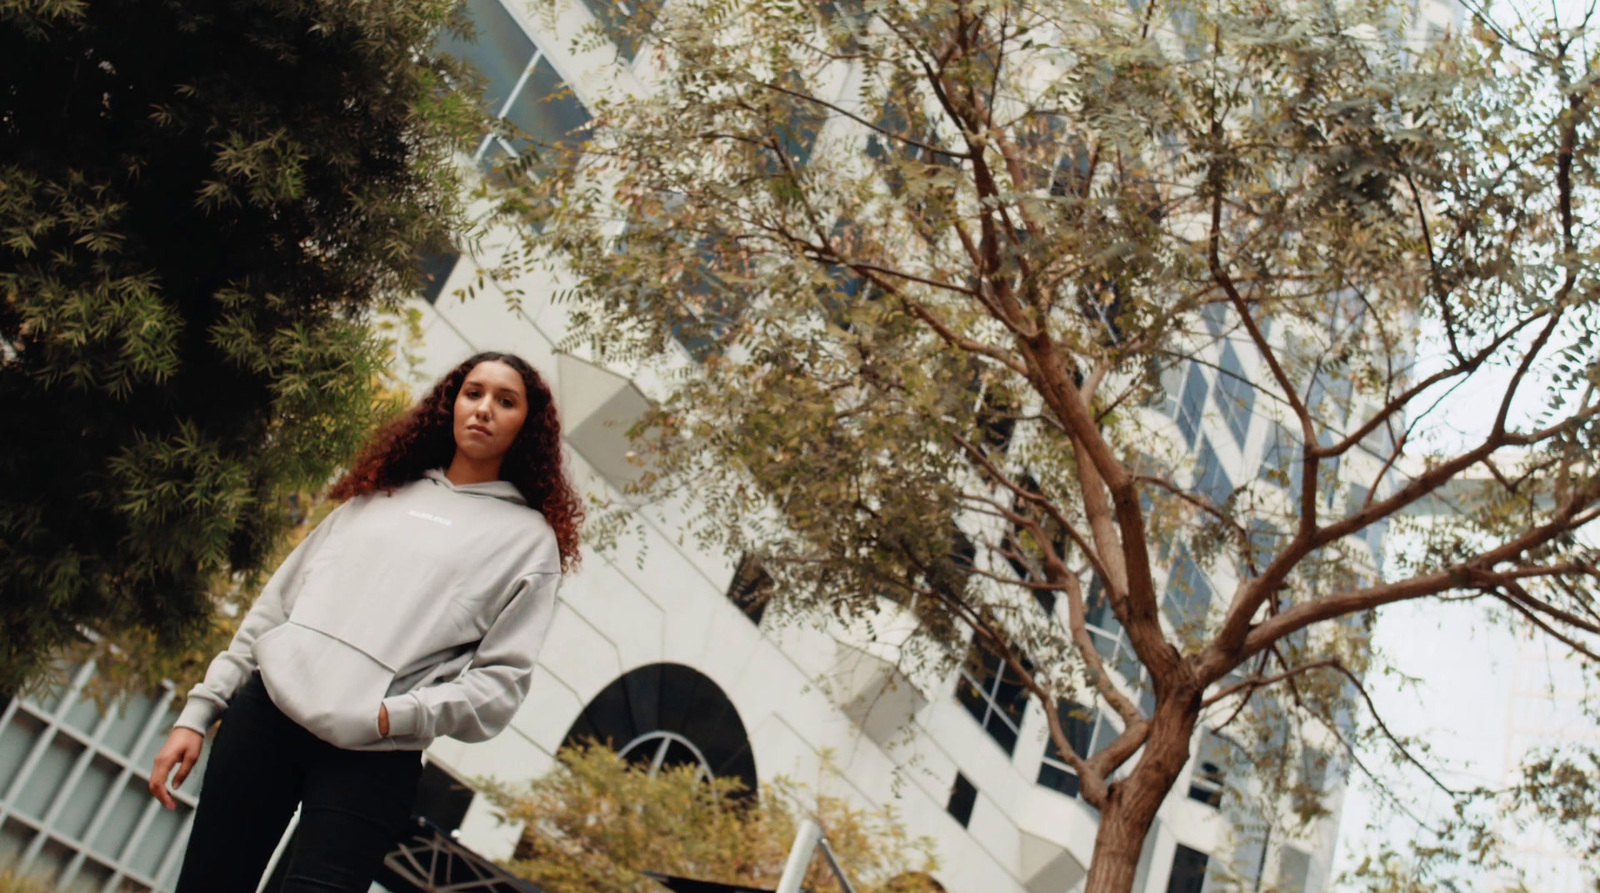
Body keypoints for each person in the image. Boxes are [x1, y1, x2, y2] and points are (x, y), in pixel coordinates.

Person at [148, 351, 583, 893]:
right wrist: (199, 710)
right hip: (266, 719)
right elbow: (276, 608)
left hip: (375, 756)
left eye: (506, 400)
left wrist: (389, 717)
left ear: (528, 424)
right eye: (473, 393)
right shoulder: (381, 492)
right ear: (451, 404)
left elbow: (499, 686)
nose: (484, 409)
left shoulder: (529, 543)